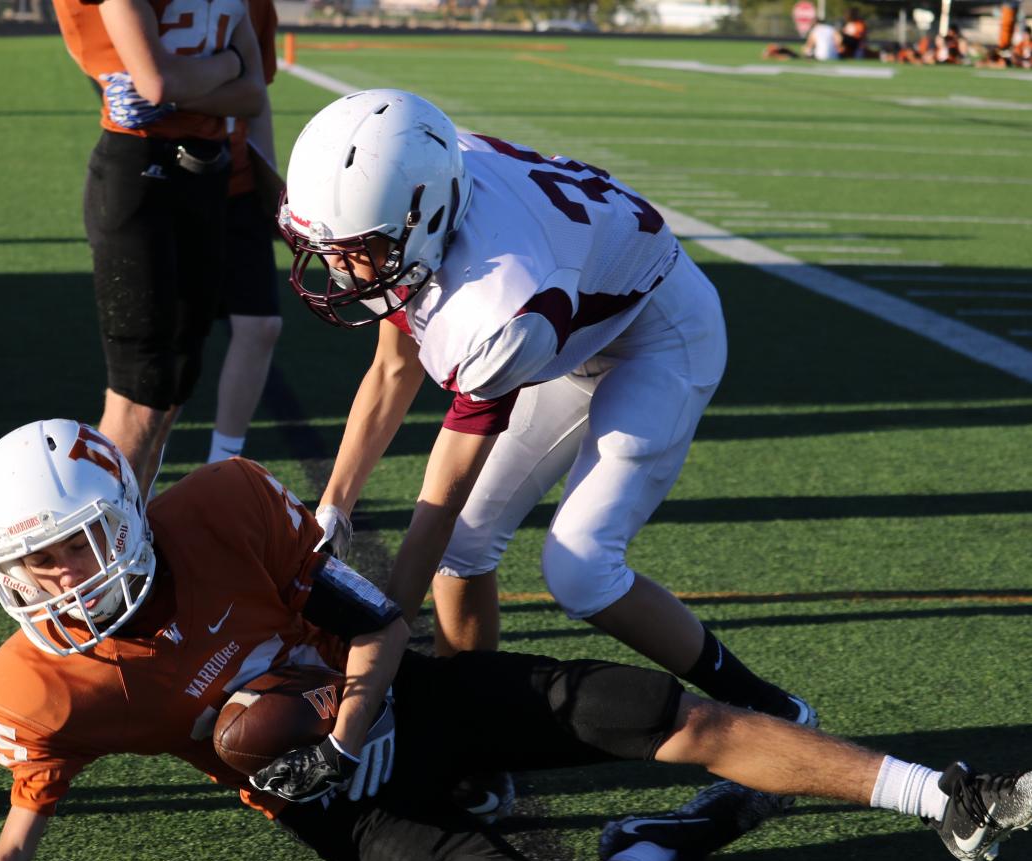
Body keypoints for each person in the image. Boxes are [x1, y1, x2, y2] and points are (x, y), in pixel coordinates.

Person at [0, 419, 1031, 861]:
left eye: (73, 547)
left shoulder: (220, 506)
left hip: (393, 704)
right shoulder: (33, 683)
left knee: (657, 708)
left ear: (125, 515)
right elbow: (17, 833)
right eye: (30, 565)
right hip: (333, 809)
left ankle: (945, 793)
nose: (57, 583)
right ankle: (669, 835)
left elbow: (378, 619)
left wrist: (342, 725)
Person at [278, 89, 815, 817]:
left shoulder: (496, 303)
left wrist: (385, 635)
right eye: (332, 247)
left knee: (579, 567)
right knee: (460, 556)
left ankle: (770, 707)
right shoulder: (425, 181)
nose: (341, 268)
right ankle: (484, 738)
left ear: (423, 217)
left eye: (358, 248)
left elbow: (445, 489)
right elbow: (392, 366)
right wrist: (333, 505)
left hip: (654, 332)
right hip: (569, 321)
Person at [50, 0, 266, 494]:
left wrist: (191, 84)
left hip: (204, 179)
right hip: (138, 169)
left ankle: (134, 525)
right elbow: (157, 85)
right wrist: (223, 68)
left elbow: (252, 96)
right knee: (140, 385)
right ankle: (100, 549)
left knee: (178, 376)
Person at [207, 0, 283, 465]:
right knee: (172, 350)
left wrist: (272, 185)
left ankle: (222, 463)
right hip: (166, 181)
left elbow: (258, 99)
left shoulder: (256, 6)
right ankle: (139, 478)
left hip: (236, 180)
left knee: (261, 325)